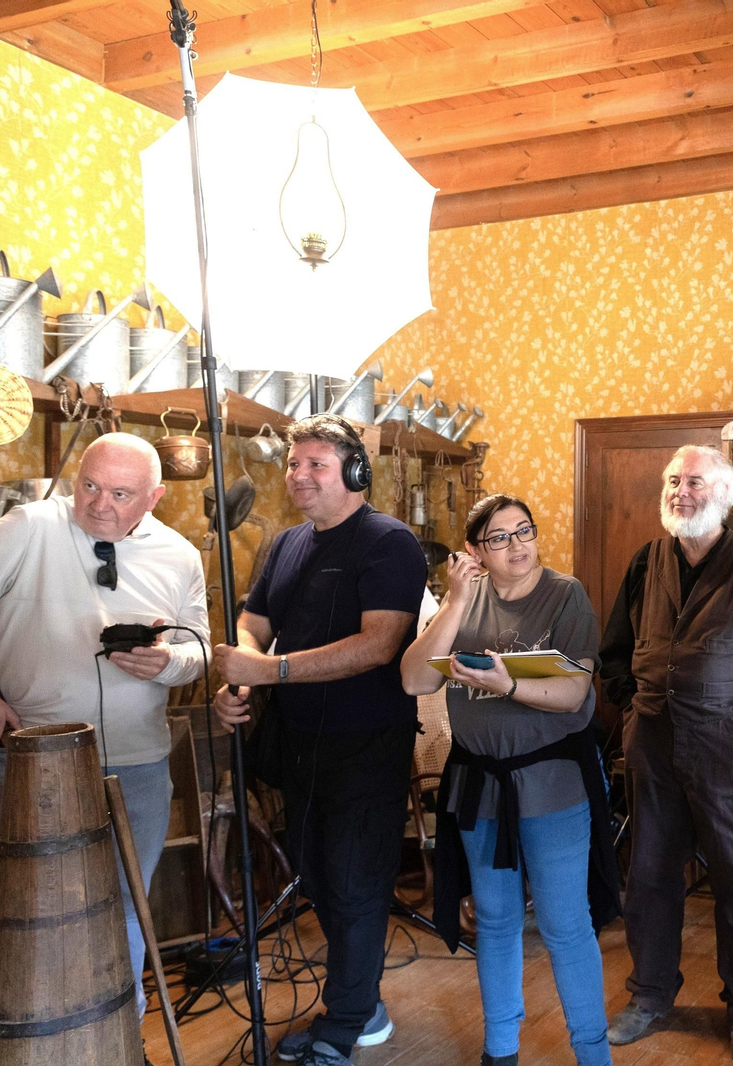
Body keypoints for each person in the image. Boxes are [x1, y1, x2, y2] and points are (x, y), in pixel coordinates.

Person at [0, 433, 209, 1035]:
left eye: (121, 494)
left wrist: (169, 663)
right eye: (90, 485)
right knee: (25, 914)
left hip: (137, 765)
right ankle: (31, 1047)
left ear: (154, 497)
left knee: (126, 910)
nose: (99, 504)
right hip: (34, 761)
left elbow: (200, 649)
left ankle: (119, 1043)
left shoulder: (180, 554)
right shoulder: (30, 528)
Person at [212, 414, 427, 1066]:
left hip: (366, 744)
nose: (299, 476)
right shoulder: (285, 545)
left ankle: (343, 1027)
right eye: (294, 464)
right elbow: (253, 622)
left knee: (355, 884)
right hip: (298, 742)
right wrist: (241, 673)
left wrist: (271, 670)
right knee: (318, 879)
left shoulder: (390, 543)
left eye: (316, 465)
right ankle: (363, 1006)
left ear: (355, 472)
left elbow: (378, 644)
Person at [401, 493, 614, 1066]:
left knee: (565, 923)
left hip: (552, 784)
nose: (517, 545)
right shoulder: (463, 601)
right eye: (499, 537)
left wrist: (508, 686)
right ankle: (500, 1050)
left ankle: (593, 1054)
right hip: (479, 786)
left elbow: (574, 694)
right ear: (474, 551)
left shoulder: (566, 594)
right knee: (494, 921)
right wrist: (454, 601)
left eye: (525, 531)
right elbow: (416, 681)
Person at [599, 445, 733, 1064]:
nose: (682, 491)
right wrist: (630, 702)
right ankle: (650, 994)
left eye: (696, 482)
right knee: (650, 875)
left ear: (725, 495)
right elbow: (615, 648)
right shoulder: (646, 560)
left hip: (725, 745)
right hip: (651, 741)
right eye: (674, 480)